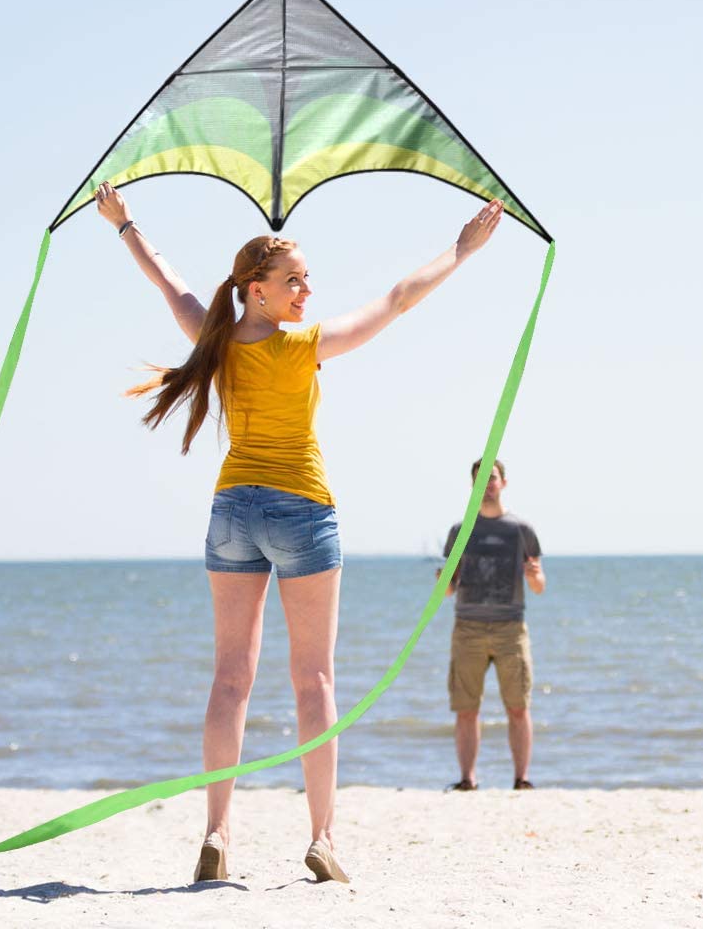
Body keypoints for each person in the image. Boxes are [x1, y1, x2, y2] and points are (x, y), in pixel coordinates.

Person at [94, 180, 504, 883]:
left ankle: (219, 831)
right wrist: (462, 250)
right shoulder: (303, 345)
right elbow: (400, 298)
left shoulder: (216, 338)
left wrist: (124, 223)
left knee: (231, 679)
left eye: (308, 281)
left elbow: (171, 283)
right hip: (302, 513)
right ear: (256, 289)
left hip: (232, 514)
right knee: (313, 680)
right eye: (293, 281)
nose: (306, 292)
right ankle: (322, 839)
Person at [440, 458, 545, 790]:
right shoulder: (460, 531)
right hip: (468, 627)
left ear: (504, 482)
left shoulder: (521, 530)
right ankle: (467, 779)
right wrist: (443, 580)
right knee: (466, 709)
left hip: (510, 628)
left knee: (518, 706)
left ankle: (521, 779)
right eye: (481, 479)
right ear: (473, 485)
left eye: (493, 478)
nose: (487, 484)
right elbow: (447, 590)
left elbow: (539, 585)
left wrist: (534, 575)